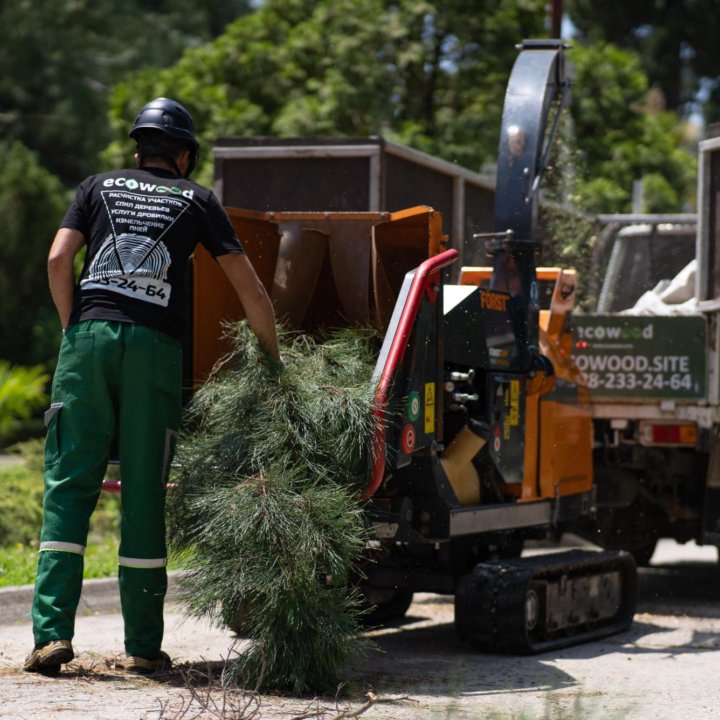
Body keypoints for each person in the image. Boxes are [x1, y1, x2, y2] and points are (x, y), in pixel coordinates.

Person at [25, 97, 280, 675]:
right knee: (143, 494)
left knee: (68, 487)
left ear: (137, 149)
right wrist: (275, 365)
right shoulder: (199, 200)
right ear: (185, 155)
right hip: (155, 351)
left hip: (88, 340)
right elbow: (250, 290)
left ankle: (50, 638)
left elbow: (58, 258)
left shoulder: (95, 185)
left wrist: (75, 331)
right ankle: (142, 647)